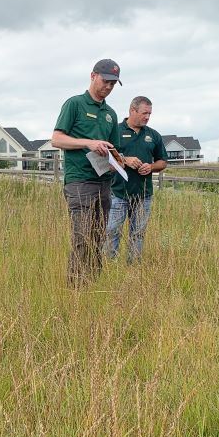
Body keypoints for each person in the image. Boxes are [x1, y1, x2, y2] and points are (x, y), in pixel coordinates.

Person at [51, 60, 123, 286]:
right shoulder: (74, 104)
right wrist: (89, 144)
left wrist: (116, 162)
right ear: (93, 76)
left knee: (98, 237)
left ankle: (93, 285)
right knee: (82, 237)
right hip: (79, 181)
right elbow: (56, 139)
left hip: (103, 181)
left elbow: (115, 149)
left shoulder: (111, 114)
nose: (109, 87)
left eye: (113, 83)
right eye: (105, 81)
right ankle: (75, 288)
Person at [104, 96, 167, 263]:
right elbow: (105, 158)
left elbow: (162, 161)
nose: (147, 117)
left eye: (150, 114)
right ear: (132, 110)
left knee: (138, 233)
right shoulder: (115, 131)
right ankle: (110, 266)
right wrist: (125, 160)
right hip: (118, 192)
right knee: (112, 230)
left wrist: (151, 167)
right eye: (144, 113)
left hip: (143, 194)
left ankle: (134, 268)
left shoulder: (153, 135)